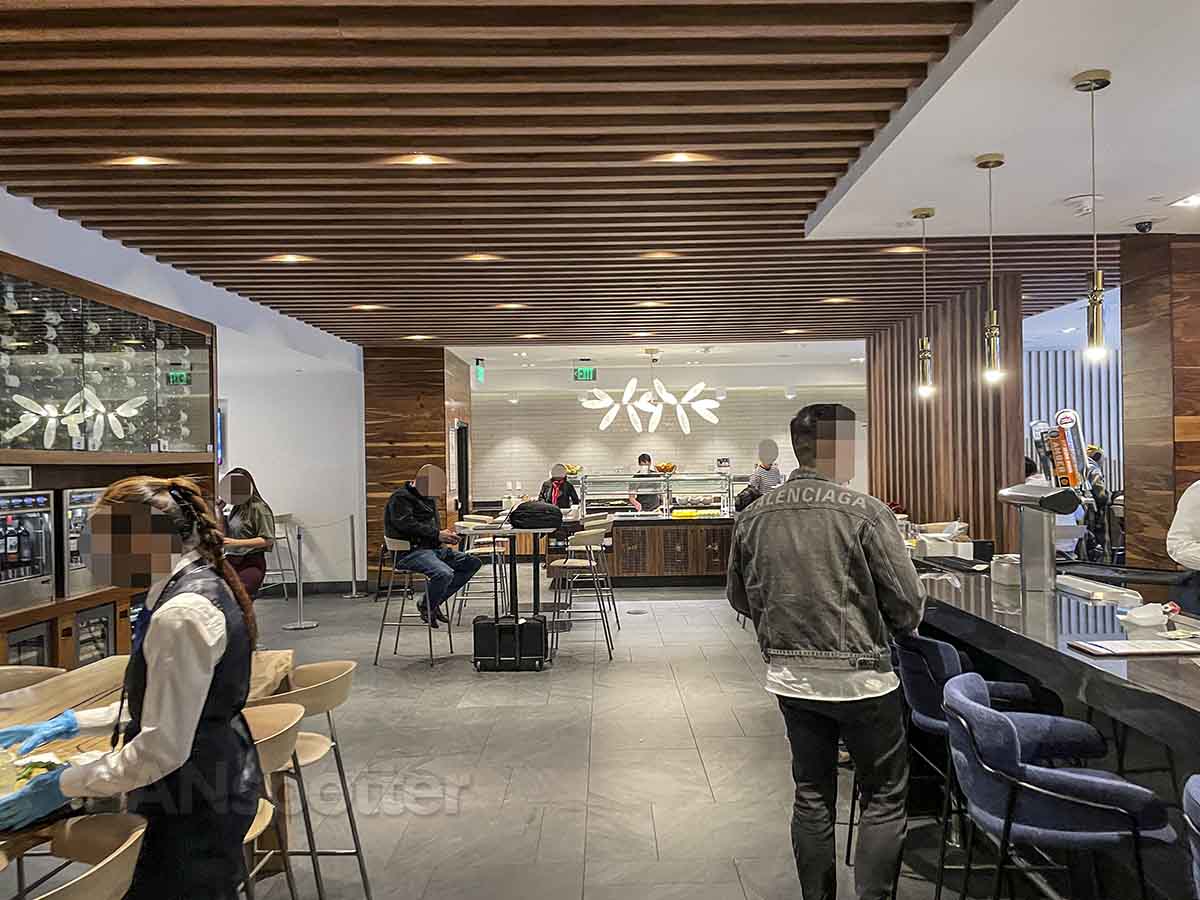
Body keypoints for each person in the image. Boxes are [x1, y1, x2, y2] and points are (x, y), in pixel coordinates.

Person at [0, 476, 262, 899]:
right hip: (213, 778)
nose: (94, 555)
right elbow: (171, 703)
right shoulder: (193, 583)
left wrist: (63, 784)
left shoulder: (181, 615)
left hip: (192, 800)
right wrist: (72, 723)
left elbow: (161, 749)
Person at [728, 403, 923, 900]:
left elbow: (739, 597)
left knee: (811, 794)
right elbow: (906, 602)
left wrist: (781, 627)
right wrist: (890, 628)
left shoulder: (754, 515)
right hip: (864, 678)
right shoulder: (866, 511)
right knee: (883, 795)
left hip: (791, 678)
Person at [385, 464, 481, 627]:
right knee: (443, 573)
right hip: (410, 552)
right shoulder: (400, 498)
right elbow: (406, 525)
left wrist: (444, 537)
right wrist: (437, 534)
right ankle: (428, 606)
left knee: (471, 563)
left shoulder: (428, 497)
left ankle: (431, 603)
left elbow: (430, 528)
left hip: (432, 549)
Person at [219, 466, 275, 600]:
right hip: (231, 560)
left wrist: (236, 543)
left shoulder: (259, 508)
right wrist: (219, 510)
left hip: (251, 561)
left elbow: (267, 540)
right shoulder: (236, 508)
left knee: (239, 596)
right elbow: (224, 533)